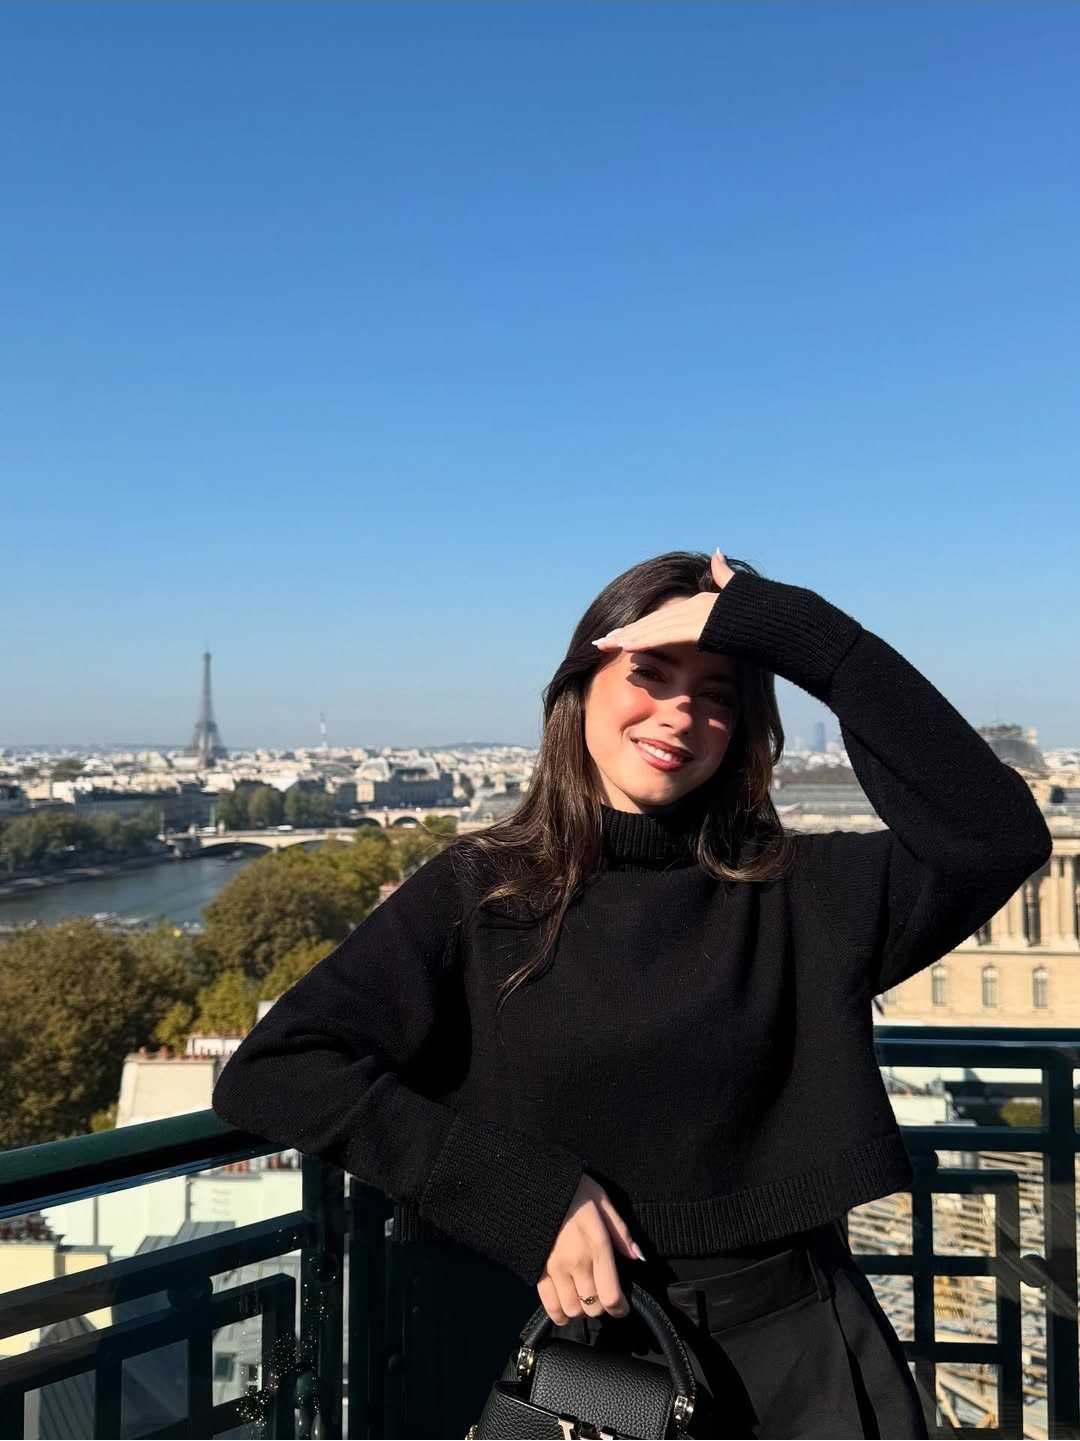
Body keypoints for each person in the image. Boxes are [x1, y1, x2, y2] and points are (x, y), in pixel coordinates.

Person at [212, 549, 1052, 1439]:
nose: (681, 712)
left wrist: (804, 635)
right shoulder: (482, 893)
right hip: (572, 1364)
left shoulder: (799, 892)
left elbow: (996, 836)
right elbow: (275, 1070)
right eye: (650, 673)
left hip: (797, 1359)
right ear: (581, 687)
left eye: (718, 693)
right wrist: (523, 1194)